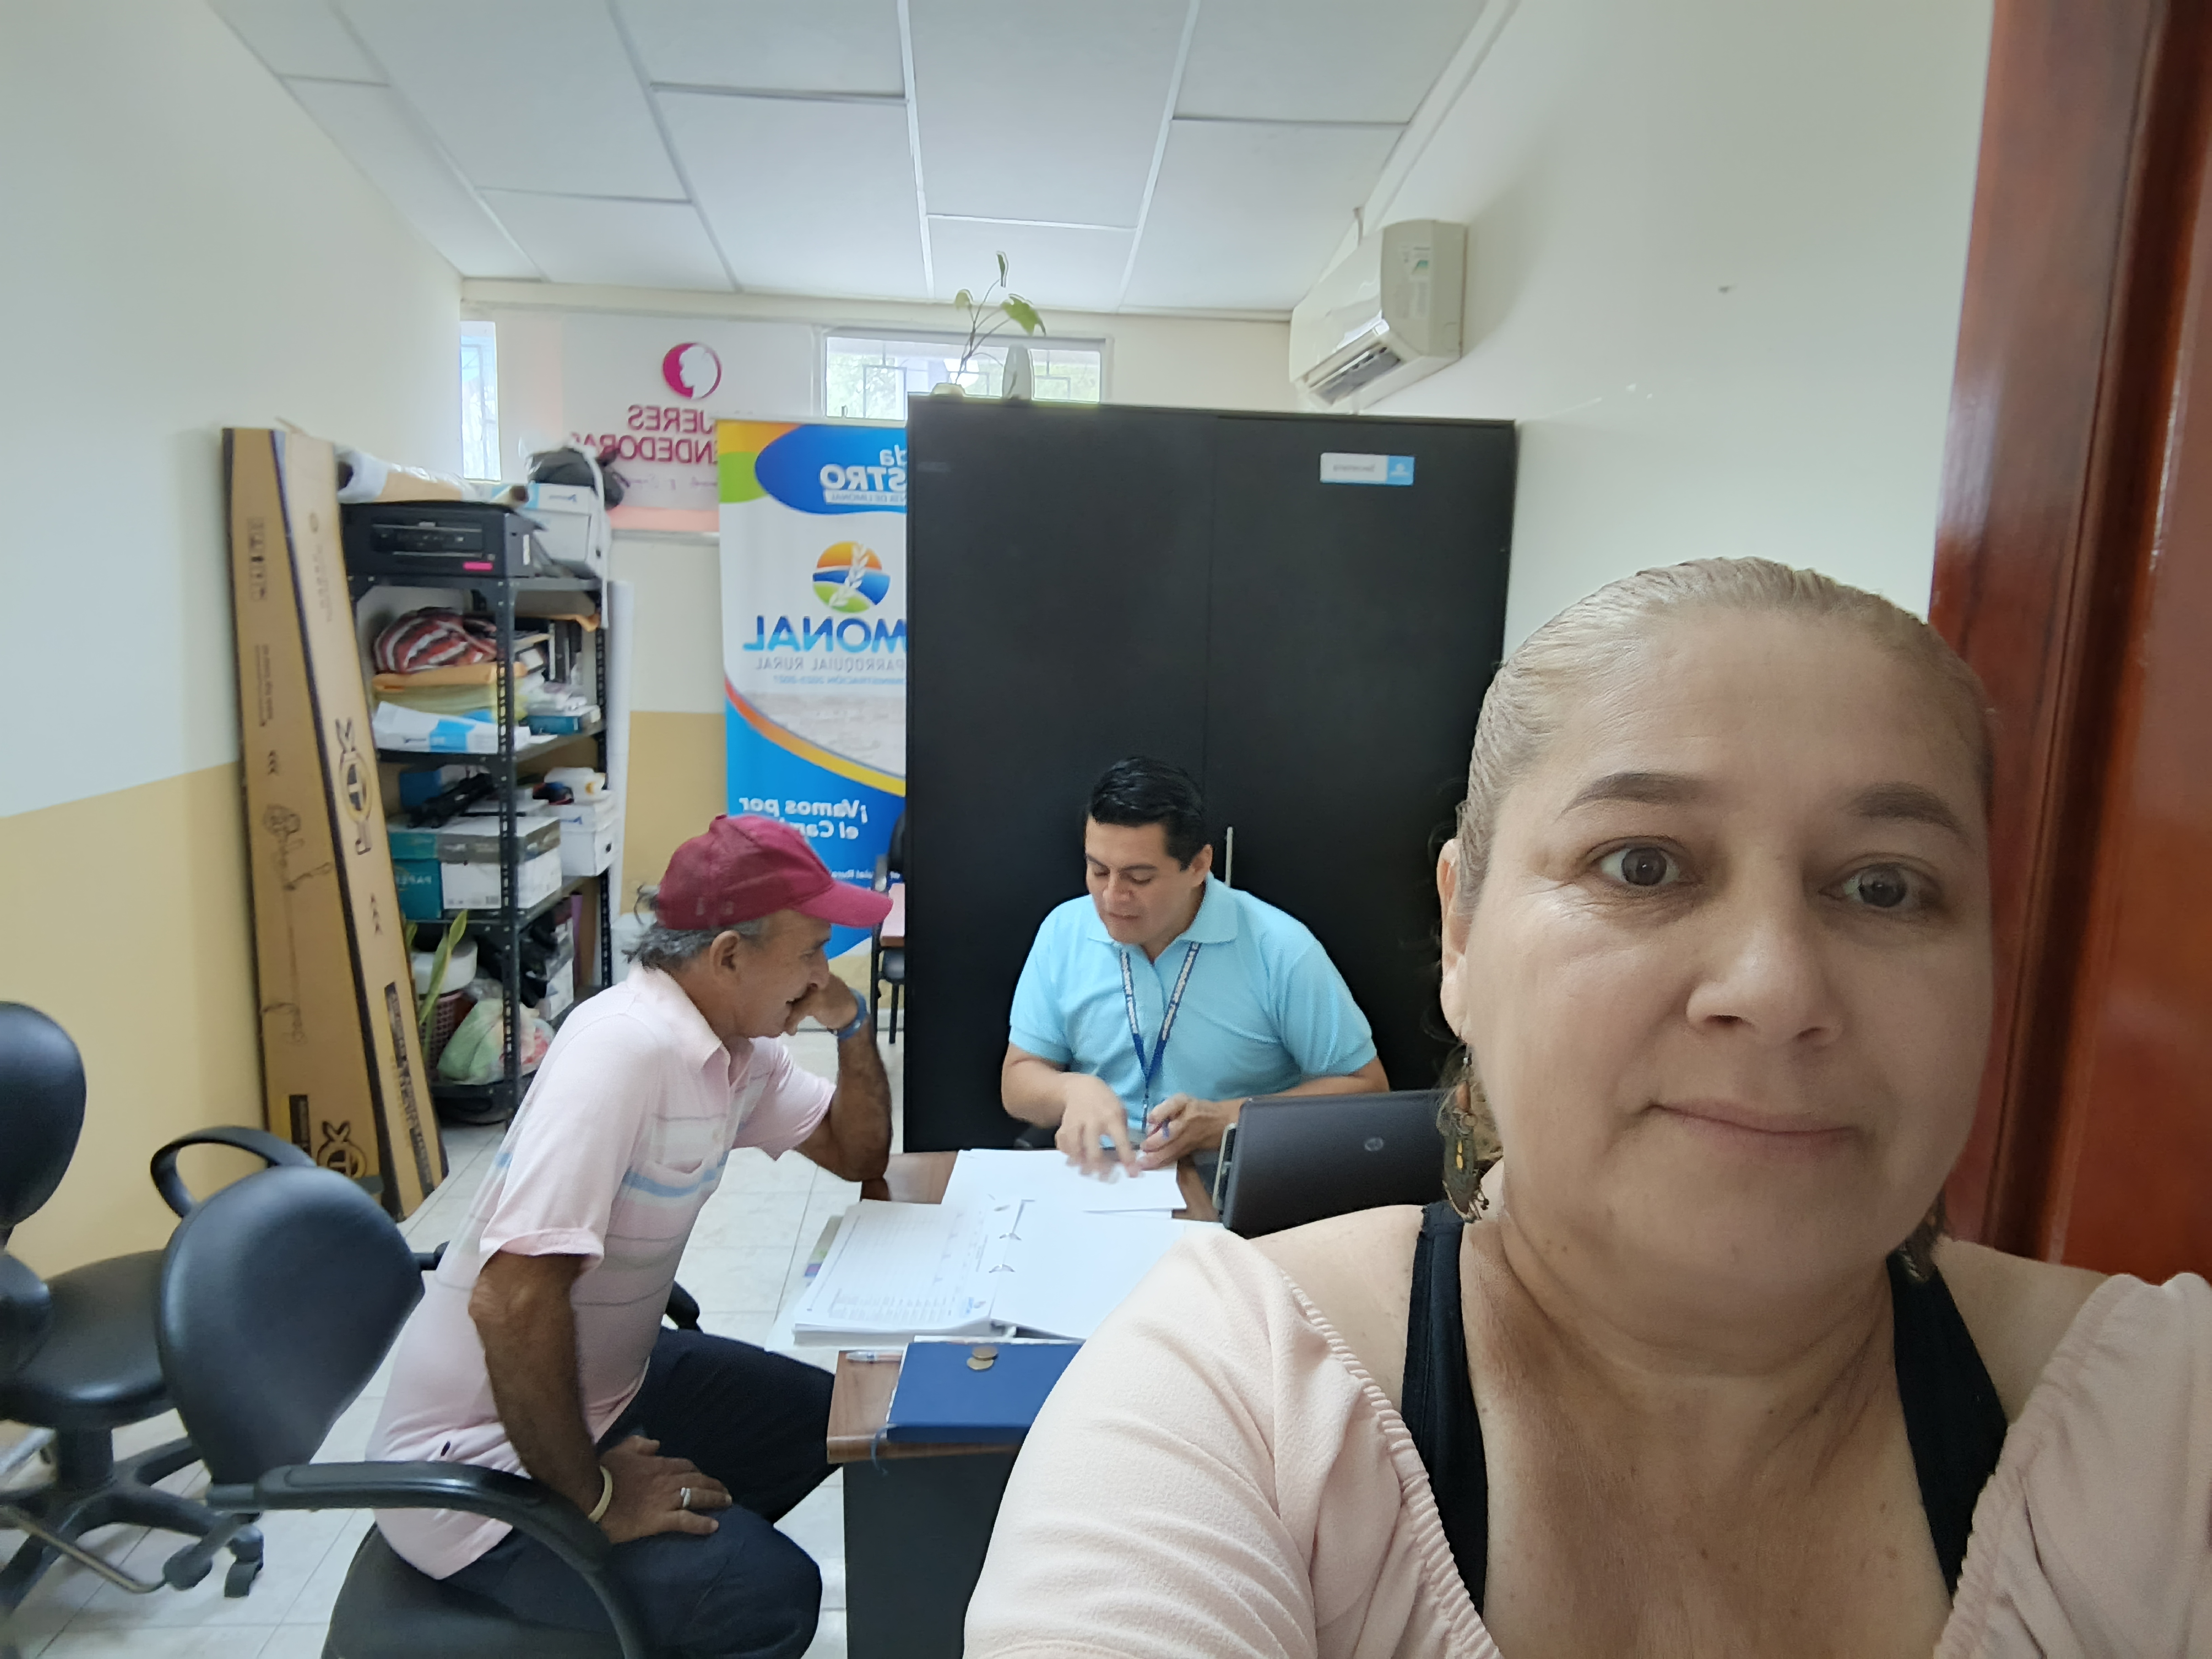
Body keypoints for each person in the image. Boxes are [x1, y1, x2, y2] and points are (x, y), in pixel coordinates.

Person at [966, 560, 2212, 1655]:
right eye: (1643, 864)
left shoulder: (2168, 1427)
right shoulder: (1234, 1403)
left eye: (1884, 887)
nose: (1775, 988)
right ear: (1462, 932)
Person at [368, 815, 892, 1659]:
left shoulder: (735, 1043)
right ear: (729, 957)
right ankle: (662, 1591)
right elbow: (510, 1303)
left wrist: (851, 1023)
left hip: (606, 1384)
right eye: (809, 953)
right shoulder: (622, 1050)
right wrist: (598, 1502)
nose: (820, 975)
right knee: (770, 1596)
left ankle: (667, 1594)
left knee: (832, 1422)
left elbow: (858, 1153)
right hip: (477, 1465)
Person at [1002, 756, 1388, 1176]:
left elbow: (1366, 1089)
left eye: (1139, 878)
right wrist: (1072, 1090)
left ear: (1199, 867)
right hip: (1101, 1176)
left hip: (1232, 1180)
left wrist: (1226, 1120)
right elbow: (1018, 1082)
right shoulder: (1064, 931)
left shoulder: (1279, 948)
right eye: (1098, 871)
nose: (1112, 897)